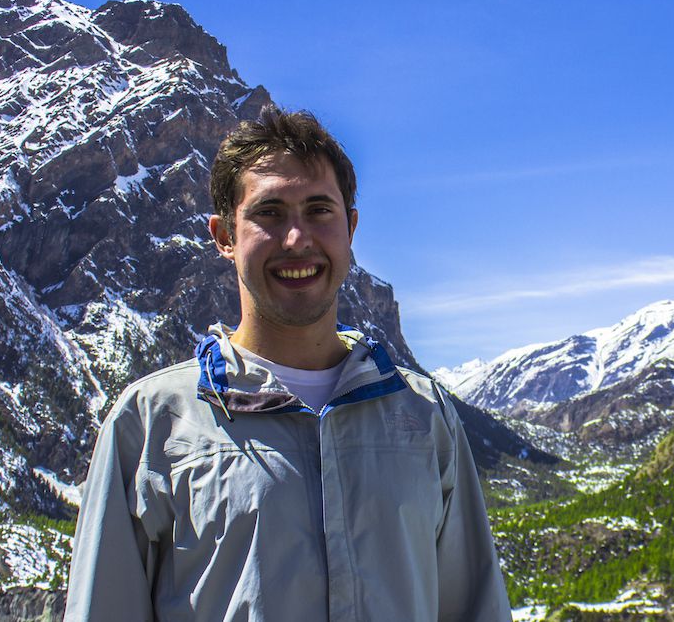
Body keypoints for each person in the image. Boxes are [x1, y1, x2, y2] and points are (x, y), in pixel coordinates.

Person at [64, 107, 511, 621]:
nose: (297, 239)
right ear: (224, 236)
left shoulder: (424, 416)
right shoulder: (151, 424)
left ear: (351, 228)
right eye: (269, 213)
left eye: (319, 209)